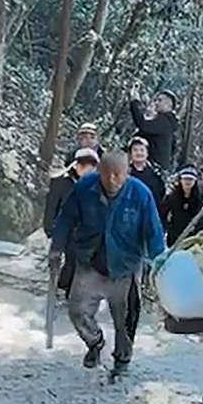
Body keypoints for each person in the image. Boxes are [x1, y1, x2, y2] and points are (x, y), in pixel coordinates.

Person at [49, 151, 165, 375]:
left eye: (118, 175)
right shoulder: (84, 188)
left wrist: (160, 263)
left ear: (127, 173)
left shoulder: (141, 194)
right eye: (107, 174)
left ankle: (122, 360)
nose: (112, 180)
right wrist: (56, 247)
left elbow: (154, 231)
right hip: (90, 262)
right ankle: (95, 342)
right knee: (77, 311)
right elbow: (66, 218)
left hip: (125, 267)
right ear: (98, 172)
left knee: (125, 321)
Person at [43, 148, 100, 297]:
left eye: (91, 167)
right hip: (66, 230)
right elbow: (51, 207)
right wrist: (50, 228)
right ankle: (65, 285)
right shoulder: (60, 182)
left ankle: (72, 291)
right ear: (76, 165)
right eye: (84, 166)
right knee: (70, 261)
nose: (88, 170)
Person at [129, 86, 178, 171]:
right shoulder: (167, 123)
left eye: (160, 100)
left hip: (153, 168)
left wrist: (134, 102)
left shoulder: (165, 121)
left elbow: (143, 126)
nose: (156, 103)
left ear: (168, 105)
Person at [160, 165, 202, 246]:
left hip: (192, 239)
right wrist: (169, 227)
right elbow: (162, 214)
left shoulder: (199, 199)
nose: (187, 182)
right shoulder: (172, 198)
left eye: (190, 179)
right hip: (174, 238)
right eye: (185, 179)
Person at [128, 136, 165, 213]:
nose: (139, 153)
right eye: (135, 150)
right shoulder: (126, 173)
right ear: (130, 153)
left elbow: (160, 194)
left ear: (147, 153)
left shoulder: (155, 173)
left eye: (142, 150)